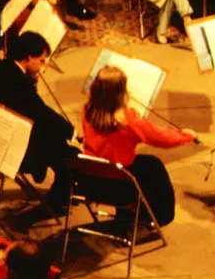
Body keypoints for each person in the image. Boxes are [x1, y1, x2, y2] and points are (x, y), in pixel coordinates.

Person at [82, 66, 195, 226]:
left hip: (93, 181)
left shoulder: (87, 111)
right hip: (121, 186)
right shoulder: (128, 120)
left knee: (144, 164)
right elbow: (160, 138)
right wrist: (186, 135)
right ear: (121, 93)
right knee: (154, 167)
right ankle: (159, 217)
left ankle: (127, 215)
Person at [0, 32, 78, 210]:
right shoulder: (20, 82)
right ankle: (58, 200)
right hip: (11, 144)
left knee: (54, 138)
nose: (44, 65)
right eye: (41, 60)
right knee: (68, 154)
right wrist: (71, 131)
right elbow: (40, 112)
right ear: (29, 57)